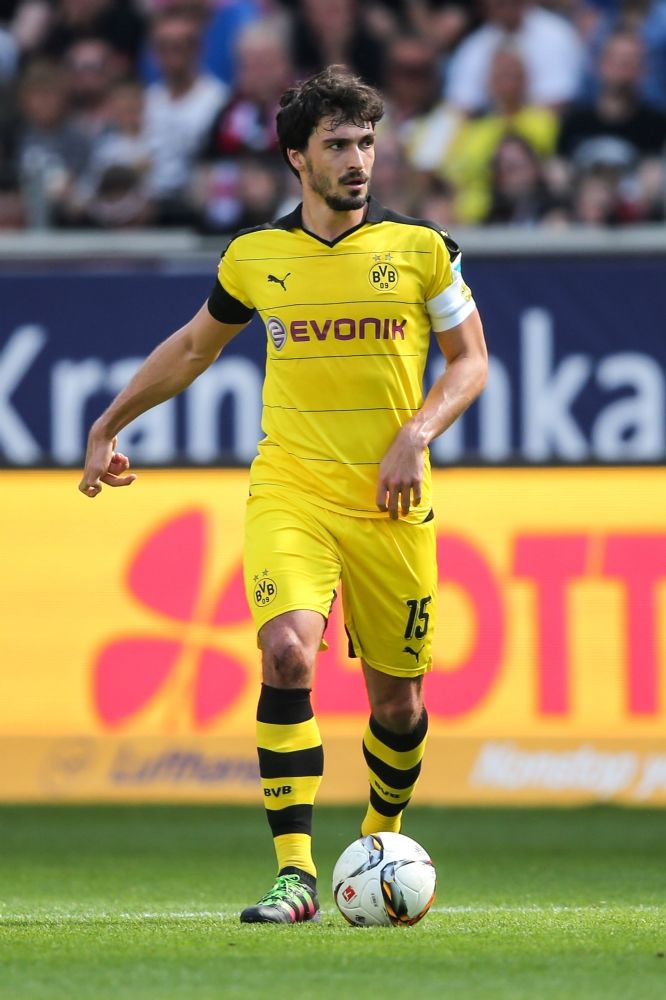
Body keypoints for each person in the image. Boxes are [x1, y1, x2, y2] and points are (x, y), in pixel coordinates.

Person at [78, 65, 488, 925]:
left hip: (390, 504)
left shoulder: (422, 250)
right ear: (297, 157)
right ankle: (295, 875)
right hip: (291, 490)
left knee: (398, 705)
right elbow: (194, 348)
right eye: (338, 145)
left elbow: (470, 362)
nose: (358, 160)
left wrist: (416, 434)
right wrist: (109, 422)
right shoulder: (254, 257)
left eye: (366, 142)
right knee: (288, 656)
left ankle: (378, 840)